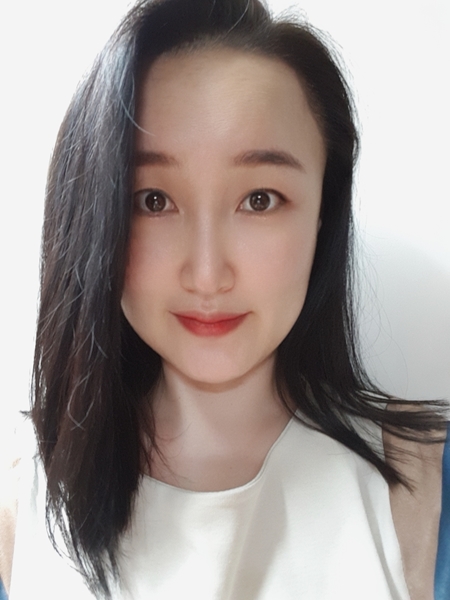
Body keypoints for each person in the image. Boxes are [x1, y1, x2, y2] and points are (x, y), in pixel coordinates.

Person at [0, 0, 448, 598]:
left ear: (323, 211)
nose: (207, 275)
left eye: (260, 199)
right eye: (152, 201)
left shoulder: (429, 490)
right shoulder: (20, 508)